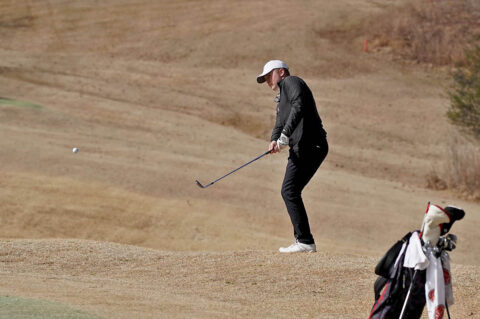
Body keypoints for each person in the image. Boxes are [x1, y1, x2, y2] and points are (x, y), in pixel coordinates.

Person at [257, 60, 329, 253]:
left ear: (281, 72)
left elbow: (299, 106)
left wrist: (284, 136)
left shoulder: (291, 82)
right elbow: (279, 123)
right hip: (302, 147)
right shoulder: (281, 99)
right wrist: (274, 140)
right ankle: (305, 240)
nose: (266, 81)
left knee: (289, 190)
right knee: (290, 191)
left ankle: (305, 241)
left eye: (268, 76)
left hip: (311, 144)